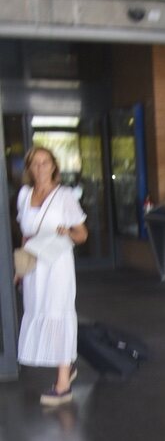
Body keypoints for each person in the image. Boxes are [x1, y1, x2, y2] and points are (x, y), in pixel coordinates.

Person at [14, 146, 88, 406]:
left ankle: (63, 383)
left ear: (53, 166)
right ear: (29, 168)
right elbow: (25, 235)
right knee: (39, 311)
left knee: (57, 313)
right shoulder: (24, 195)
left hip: (57, 265)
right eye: (35, 163)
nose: (40, 168)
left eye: (45, 163)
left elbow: (82, 234)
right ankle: (65, 365)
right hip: (35, 267)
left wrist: (66, 232)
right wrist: (20, 269)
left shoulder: (64, 196)